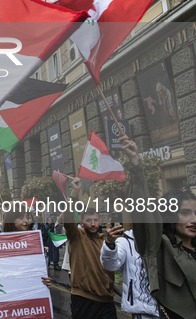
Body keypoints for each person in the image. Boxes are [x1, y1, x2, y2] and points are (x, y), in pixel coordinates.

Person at [121, 135, 196, 318]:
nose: (193, 219)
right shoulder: (159, 246)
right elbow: (143, 211)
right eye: (185, 213)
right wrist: (136, 166)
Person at [65, 178, 116, 319]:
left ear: (100, 221)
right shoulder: (77, 236)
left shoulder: (105, 240)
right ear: (81, 222)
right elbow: (68, 217)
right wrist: (74, 193)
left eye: (95, 221)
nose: (93, 224)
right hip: (83, 298)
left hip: (106, 300)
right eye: (88, 221)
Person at [100, 225, 158, 318]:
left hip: (166, 309)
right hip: (143, 310)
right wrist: (110, 244)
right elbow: (111, 265)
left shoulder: (164, 240)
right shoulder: (125, 241)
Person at [2, 209, 51, 287]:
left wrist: (45, 281)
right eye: (21, 218)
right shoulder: (1, 244)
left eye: (27, 217)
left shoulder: (34, 241)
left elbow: (36, 271)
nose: (26, 220)